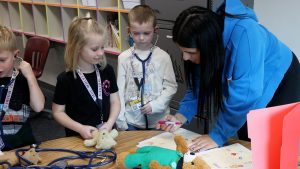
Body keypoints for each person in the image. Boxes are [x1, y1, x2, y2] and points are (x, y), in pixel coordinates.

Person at [157, 0, 300, 152]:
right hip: (251, 84)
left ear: (209, 45)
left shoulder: (246, 34)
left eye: (191, 53)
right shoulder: (206, 44)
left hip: (283, 77)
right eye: (182, 51)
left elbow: (245, 96)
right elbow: (199, 84)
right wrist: (180, 116)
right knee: (248, 138)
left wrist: (216, 136)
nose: (185, 58)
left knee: (274, 146)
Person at [52, 17, 120, 139]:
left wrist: (109, 124)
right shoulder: (65, 79)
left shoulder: (107, 70)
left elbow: (115, 102)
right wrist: (80, 128)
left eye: (102, 47)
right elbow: (58, 112)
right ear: (77, 48)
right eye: (94, 49)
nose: (100, 53)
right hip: (78, 137)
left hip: (107, 134)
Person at [116, 5, 178, 130]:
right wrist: (121, 121)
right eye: (136, 33)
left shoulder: (163, 57)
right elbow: (119, 90)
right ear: (129, 31)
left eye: (146, 33)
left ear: (156, 30)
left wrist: (156, 105)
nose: (141, 37)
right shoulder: (123, 58)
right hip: (131, 122)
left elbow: (171, 87)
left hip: (158, 122)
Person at [0, 25, 45, 150]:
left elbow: (39, 106)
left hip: (22, 145)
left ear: (15, 55)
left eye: (2, 60)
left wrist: (30, 76)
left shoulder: (22, 79)